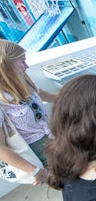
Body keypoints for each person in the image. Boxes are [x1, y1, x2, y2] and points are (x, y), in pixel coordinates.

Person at [0, 40, 56, 185]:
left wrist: (61, 97)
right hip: (39, 153)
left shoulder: (20, 79)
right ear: (5, 66)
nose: (27, 66)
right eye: (22, 62)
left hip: (52, 138)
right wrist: (35, 171)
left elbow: (36, 93)